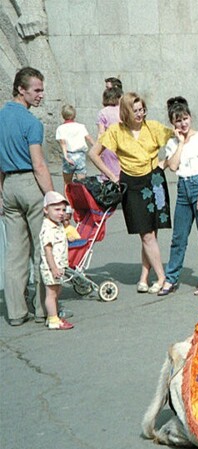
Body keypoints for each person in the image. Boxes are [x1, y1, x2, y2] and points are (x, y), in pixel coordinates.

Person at [88, 92, 174, 294]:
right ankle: (162, 277)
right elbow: (93, 153)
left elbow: (178, 137)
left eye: (142, 109)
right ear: (126, 112)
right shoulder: (116, 131)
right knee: (145, 234)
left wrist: (166, 163)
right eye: (135, 110)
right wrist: (112, 175)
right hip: (131, 184)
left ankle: (144, 277)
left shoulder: (153, 127)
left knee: (152, 232)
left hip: (154, 181)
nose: (140, 114)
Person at [2, 67, 56, 326]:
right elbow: (39, 165)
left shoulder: (1, 119)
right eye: (37, 90)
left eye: (42, 90)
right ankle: (43, 309)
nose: (41, 95)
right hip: (30, 185)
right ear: (21, 89)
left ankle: (15, 312)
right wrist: (53, 196)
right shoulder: (31, 123)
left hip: (8, 186)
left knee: (14, 253)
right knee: (43, 247)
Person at [158, 97, 198, 297]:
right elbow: (173, 166)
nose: (183, 124)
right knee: (178, 238)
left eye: (185, 119)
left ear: (190, 117)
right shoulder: (173, 143)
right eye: (178, 121)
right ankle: (171, 278)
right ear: (172, 124)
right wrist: (181, 143)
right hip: (183, 188)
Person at [39, 191, 73, 330]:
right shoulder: (48, 228)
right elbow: (47, 250)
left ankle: (53, 316)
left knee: (57, 291)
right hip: (51, 267)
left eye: (63, 210)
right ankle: (53, 319)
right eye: (57, 209)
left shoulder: (58, 225)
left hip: (59, 266)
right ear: (46, 210)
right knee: (51, 294)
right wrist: (53, 268)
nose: (61, 213)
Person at [55, 104, 95, 185]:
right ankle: (81, 197)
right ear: (74, 114)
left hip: (69, 155)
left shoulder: (60, 128)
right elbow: (89, 138)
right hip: (80, 156)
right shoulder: (81, 126)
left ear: (63, 115)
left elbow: (63, 143)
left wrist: (65, 156)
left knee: (67, 183)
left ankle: (67, 197)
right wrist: (97, 149)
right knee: (82, 183)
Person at [96, 86, 123, 182]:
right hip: (123, 143)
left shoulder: (103, 112)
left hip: (109, 146)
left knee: (109, 171)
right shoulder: (123, 111)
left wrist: (98, 151)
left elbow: (101, 133)